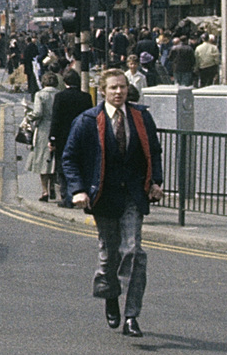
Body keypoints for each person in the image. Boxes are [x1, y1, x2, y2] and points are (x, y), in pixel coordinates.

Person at [62, 69, 164, 337]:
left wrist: (156, 182)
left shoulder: (141, 117)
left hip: (132, 194)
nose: (119, 92)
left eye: (122, 87)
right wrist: (79, 190)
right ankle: (110, 295)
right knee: (109, 256)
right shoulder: (87, 120)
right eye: (113, 88)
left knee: (133, 252)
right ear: (103, 91)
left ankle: (131, 316)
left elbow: (153, 151)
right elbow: (69, 158)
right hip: (104, 196)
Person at [46, 70, 91, 206]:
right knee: (80, 166)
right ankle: (79, 193)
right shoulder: (86, 97)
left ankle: (67, 199)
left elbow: (56, 119)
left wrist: (52, 139)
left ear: (65, 82)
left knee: (63, 167)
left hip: (63, 138)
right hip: (82, 138)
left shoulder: (60, 97)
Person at [25, 78, 63, 202]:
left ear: (43, 82)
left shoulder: (40, 94)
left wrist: (28, 116)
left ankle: (45, 191)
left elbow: (38, 112)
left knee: (42, 159)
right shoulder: (59, 94)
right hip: (57, 128)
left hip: (44, 129)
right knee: (53, 159)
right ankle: (52, 187)